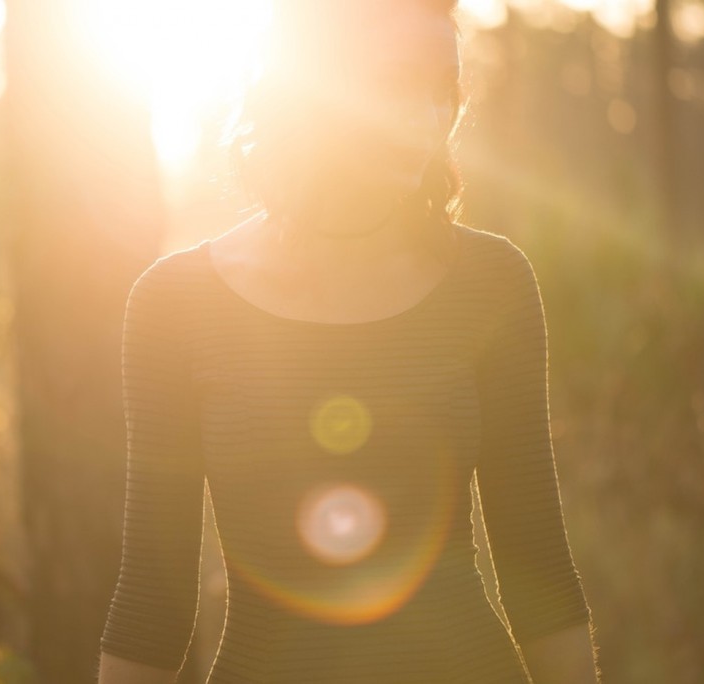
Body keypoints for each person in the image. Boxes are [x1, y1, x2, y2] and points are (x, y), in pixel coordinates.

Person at [98, 1, 599, 682]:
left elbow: (540, 575)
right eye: (395, 83)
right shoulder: (175, 305)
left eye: (441, 90)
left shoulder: (492, 283)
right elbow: (152, 608)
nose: (425, 120)